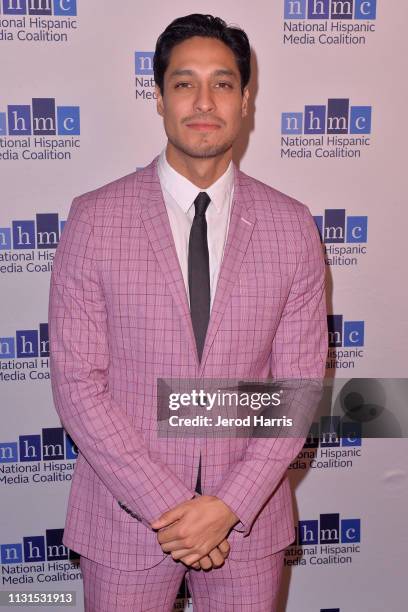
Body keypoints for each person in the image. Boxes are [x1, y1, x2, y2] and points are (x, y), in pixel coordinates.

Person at [48, 13, 327, 612]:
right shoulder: (95, 219)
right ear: (159, 97)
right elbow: (77, 385)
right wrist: (173, 510)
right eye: (184, 83)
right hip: (126, 523)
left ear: (246, 99)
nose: (204, 102)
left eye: (223, 83)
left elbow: (297, 390)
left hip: (247, 525)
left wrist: (226, 508)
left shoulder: (292, 226)